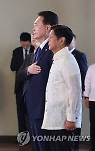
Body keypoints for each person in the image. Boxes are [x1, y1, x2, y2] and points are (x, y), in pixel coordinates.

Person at [17, 11, 59, 151]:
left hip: (43, 109)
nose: (33, 28)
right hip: (34, 107)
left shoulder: (51, 50)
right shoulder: (39, 50)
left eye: (36, 24)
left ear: (48, 28)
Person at [42, 25, 82, 151]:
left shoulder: (67, 60)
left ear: (61, 40)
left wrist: (71, 118)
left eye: (51, 37)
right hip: (56, 119)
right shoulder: (58, 59)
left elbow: (74, 91)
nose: (48, 40)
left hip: (64, 121)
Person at [10, 32, 34, 133]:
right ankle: (22, 136)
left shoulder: (35, 50)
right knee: (20, 112)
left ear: (30, 41)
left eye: (26, 43)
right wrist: (24, 67)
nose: (24, 45)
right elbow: (12, 67)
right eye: (22, 43)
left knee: (31, 112)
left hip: (32, 85)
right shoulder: (16, 52)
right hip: (20, 85)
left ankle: (32, 135)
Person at [68, 34, 88, 150]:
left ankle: (75, 146)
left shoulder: (79, 55)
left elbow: (84, 73)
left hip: (77, 92)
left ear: (74, 42)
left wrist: (84, 91)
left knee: (75, 119)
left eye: (71, 41)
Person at [84, 64, 95, 151]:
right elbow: (87, 84)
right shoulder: (92, 68)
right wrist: (86, 96)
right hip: (93, 100)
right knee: (94, 124)